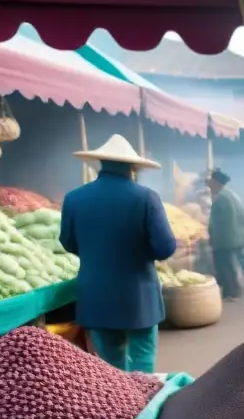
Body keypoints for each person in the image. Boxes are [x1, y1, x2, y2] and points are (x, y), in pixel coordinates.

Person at [61, 134, 176, 373]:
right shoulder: (146, 198)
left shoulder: (74, 199)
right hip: (139, 296)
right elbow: (165, 248)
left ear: (101, 163)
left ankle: (119, 407)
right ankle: (143, 403)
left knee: (110, 365)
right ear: (133, 167)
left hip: (96, 295)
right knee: (142, 359)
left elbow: (68, 243)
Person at [206, 168, 244, 301]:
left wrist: (212, 238)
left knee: (225, 266)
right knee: (230, 265)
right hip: (233, 237)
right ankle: (233, 291)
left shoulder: (221, 198)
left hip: (225, 238)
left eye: (211, 182)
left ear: (217, 183)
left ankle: (231, 292)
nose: (209, 185)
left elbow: (217, 222)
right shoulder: (231, 195)